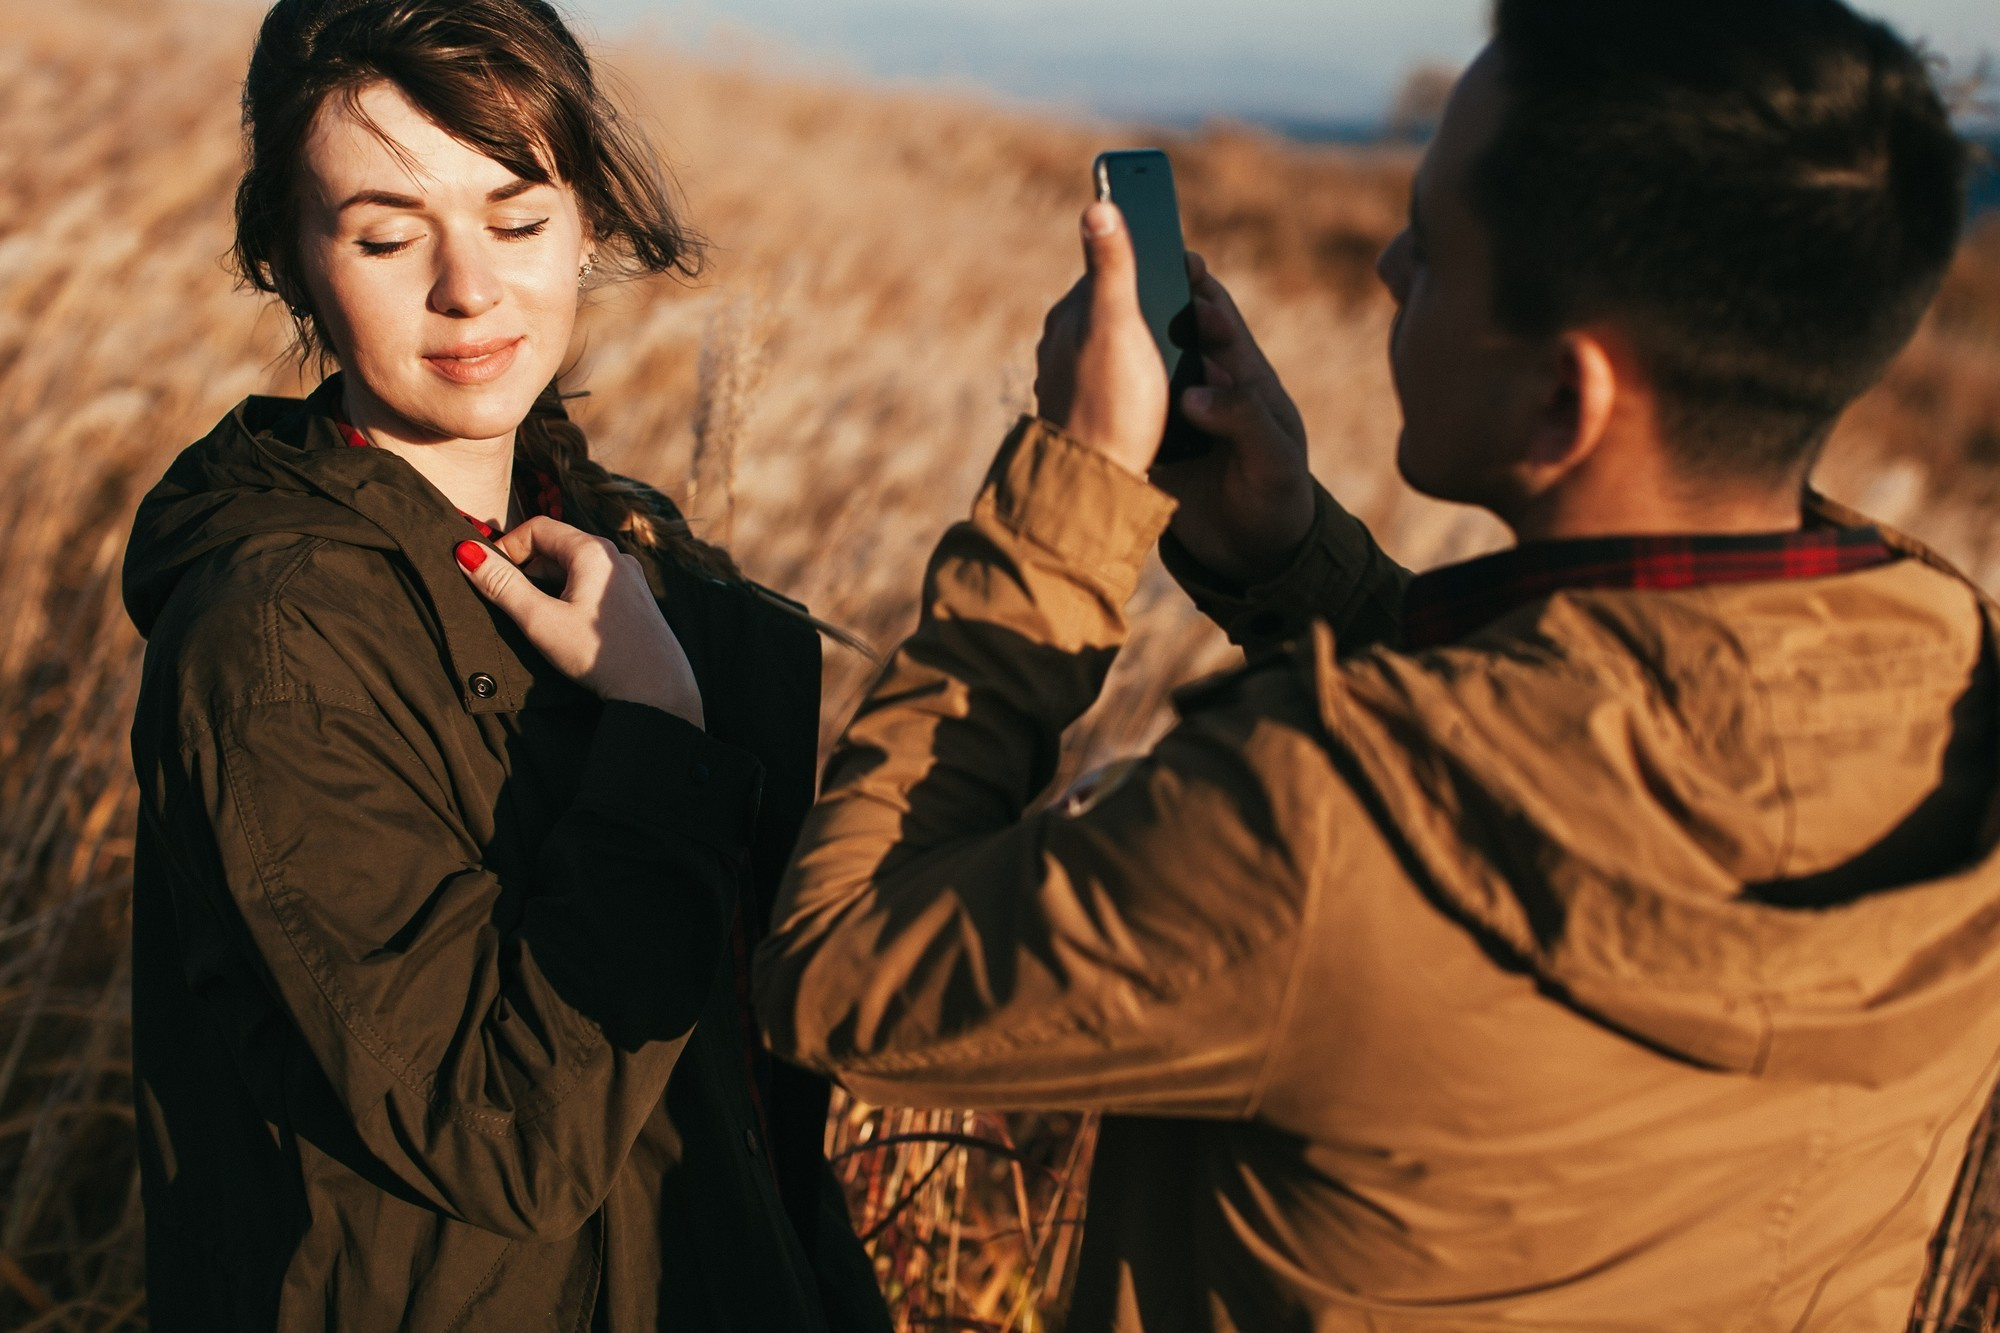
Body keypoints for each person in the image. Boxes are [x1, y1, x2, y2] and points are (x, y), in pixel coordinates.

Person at [754, 1, 2000, 1327]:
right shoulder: (1952, 683)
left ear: (1567, 398)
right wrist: (1300, 568)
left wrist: (1076, 494)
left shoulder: (1309, 819)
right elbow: (1590, 763)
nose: (1392, 267)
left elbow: (839, 972)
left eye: (1438, 243)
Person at [121, 1, 889, 1329]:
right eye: (383, 233)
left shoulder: (630, 554)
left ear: (587, 223)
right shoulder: (274, 637)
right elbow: (505, 1129)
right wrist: (658, 732)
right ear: (290, 257)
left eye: (517, 219)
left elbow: (749, 1086)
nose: (468, 289)